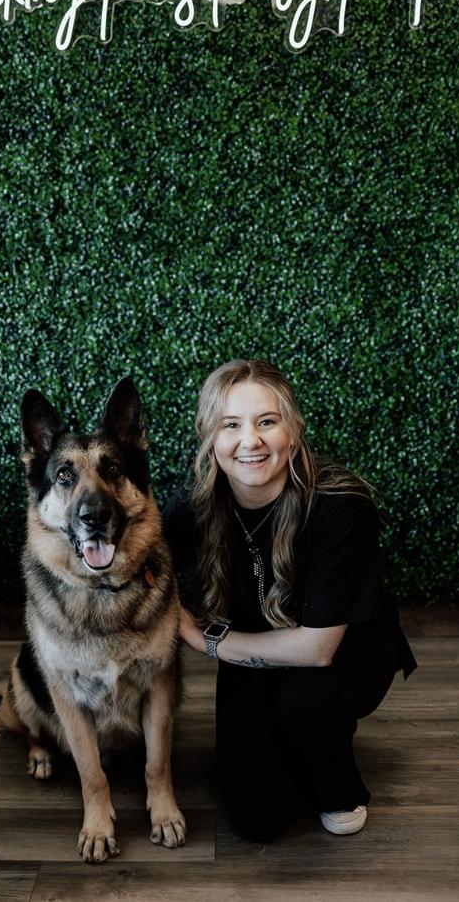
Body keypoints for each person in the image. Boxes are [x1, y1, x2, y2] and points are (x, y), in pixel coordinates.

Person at [163, 359, 417, 842]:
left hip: (343, 656)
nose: (250, 441)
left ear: (293, 432)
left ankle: (337, 779)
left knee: (305, 702)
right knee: (257, 821)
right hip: (253, 645)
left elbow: (317, 649)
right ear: (210, 438)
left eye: (267, 422)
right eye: (230, 425)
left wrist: (203, 637)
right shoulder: (196, 503)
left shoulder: (340, 505)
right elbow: (140, 559)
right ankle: (292, 748)